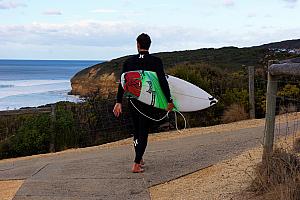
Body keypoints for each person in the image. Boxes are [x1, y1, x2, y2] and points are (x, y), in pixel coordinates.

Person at [113, 33, 174, 173]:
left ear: (138, 45)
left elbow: (123, 83)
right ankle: (136, 163)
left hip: (132, 101)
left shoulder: (128, 62)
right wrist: (169, 100)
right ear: (149, 45)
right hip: (147, 101)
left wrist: (118, 101)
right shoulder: (156, 61)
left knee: (136, 131)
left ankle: (139, 158)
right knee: (144, 132)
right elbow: (162, 82)